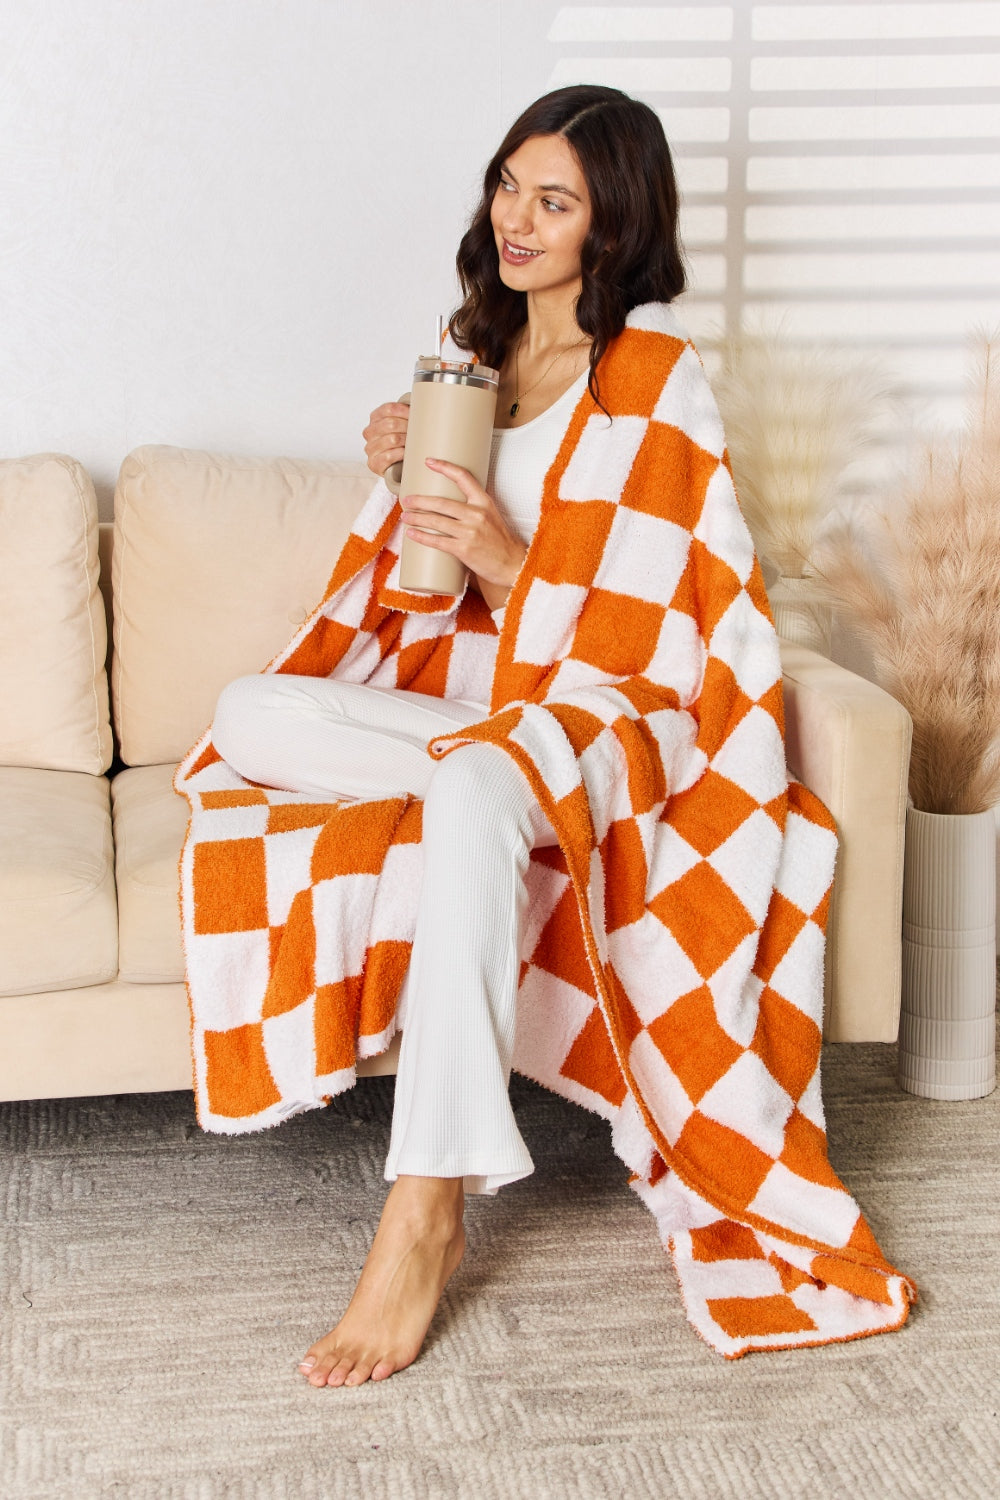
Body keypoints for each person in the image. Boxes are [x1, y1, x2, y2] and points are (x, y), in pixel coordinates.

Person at [208, 83, 686, 1388]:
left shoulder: (646, 387)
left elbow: (642, 641)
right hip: (487, 718)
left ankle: (424, 1212)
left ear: (612, 223)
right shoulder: (469, 351)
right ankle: (485, 781)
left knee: (484, 779)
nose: (518, 219)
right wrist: (398, 466)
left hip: (595, 722)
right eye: (509, 186)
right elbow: (416, 589)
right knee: (251, 712)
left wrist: (506, 553)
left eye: (556, 200)